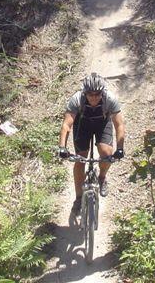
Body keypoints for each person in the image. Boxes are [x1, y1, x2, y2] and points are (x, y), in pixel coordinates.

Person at [58, 72, 125, 211]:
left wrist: (120, 148)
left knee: (107, 153)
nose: (94, 98)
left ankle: (102, 177)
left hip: (102, 123)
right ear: (85, 93)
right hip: (82, 124)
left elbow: (119, 125)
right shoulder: (77, 99)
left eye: (97, 94)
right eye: (90, 94)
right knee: (80, 159)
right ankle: (78, 198)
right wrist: (62, 147)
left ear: (102, 92)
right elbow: (66, 125)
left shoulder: (109, 99)